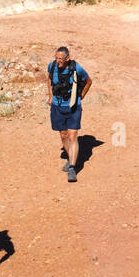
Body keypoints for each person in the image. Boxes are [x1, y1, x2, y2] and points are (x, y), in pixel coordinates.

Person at [48, 46, 91, 182]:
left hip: (73, 107)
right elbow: (49, 80)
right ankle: (70, 156)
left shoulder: (76, 68)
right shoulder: (52, 66)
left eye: (60, 59)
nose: (57, 61)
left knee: (72, 136)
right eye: (56, 57)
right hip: (57, 106)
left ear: (67, 58)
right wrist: (50, 96)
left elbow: (88, 81)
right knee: (63, 135)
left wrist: (81, 96)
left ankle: (72, 167)